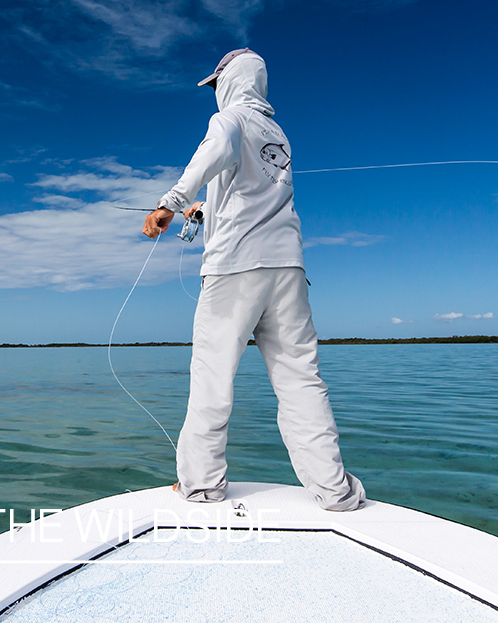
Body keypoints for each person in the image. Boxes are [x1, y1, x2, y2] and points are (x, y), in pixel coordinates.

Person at [143, 48, 365, 511]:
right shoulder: (277, 134)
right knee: (301, 380)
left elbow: (213, 153)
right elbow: (251, 193)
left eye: (215, 84)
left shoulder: (229, 120)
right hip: (288, 270)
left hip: (234, 269)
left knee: (212, 377)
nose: (214, 93)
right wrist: (203, 209)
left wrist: (170, 203)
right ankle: (334, 491)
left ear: (229, 81)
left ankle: (201, 484)